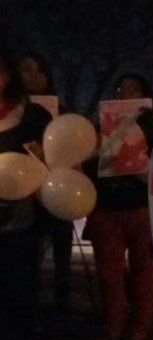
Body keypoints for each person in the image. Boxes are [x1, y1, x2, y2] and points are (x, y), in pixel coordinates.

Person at [82, 73, 153, 340]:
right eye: (121, 89)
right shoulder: (102, 124)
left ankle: (139, 333)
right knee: (109, 276)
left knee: (144, 274)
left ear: (144, 94)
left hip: (142, 208)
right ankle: (113, 331)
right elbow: (86, 162)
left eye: (133, 89)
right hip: (107, 208)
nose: (125, 94)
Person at [0, 46, 52, 340]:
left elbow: (53, 160)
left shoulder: (32, 115)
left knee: (18, 278)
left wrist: (41, 156)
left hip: (20, 216)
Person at [14, 52, 74, 315]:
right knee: (29, 255)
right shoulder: (11, 112)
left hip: (59, 189)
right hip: (25, 193)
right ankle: (29, 308)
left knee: (62, 252)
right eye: (26, 70)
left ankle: (62, 304)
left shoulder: (61, 110)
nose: (33, 76)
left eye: (39, 71)